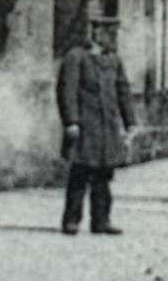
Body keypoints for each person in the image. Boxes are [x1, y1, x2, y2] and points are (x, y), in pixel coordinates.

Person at [57, 15, 136, 235]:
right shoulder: (76, 57)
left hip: (107, 127)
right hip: (84, 126)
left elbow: (123, 92)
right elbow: (67, 92)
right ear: (96, 33)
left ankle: (101, 220)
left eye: (113, 34)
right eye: (108, 34)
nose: (112, 39)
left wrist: (130, 122)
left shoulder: (114, 61)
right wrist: (71, 121)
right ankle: (71, 220)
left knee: (104, 175)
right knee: (80, 174)